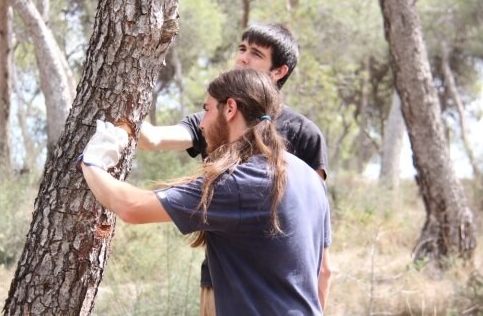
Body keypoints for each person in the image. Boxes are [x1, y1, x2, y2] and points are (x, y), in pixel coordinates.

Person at [79, 68, 331, 315]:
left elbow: (131, 207)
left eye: (207, 109)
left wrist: (92, 163)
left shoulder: (241, 182)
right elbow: (323, 271)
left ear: (230, 108)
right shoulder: (310, 178)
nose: (201, 123)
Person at [138, 23, 331, 312]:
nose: (242, 58)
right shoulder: (213, 119)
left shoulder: (305, 134)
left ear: (279, 72)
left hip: (283, 294)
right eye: (241, 49)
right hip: (222, 284)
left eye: (255, 54)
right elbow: (152, 138)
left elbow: (319, 242)